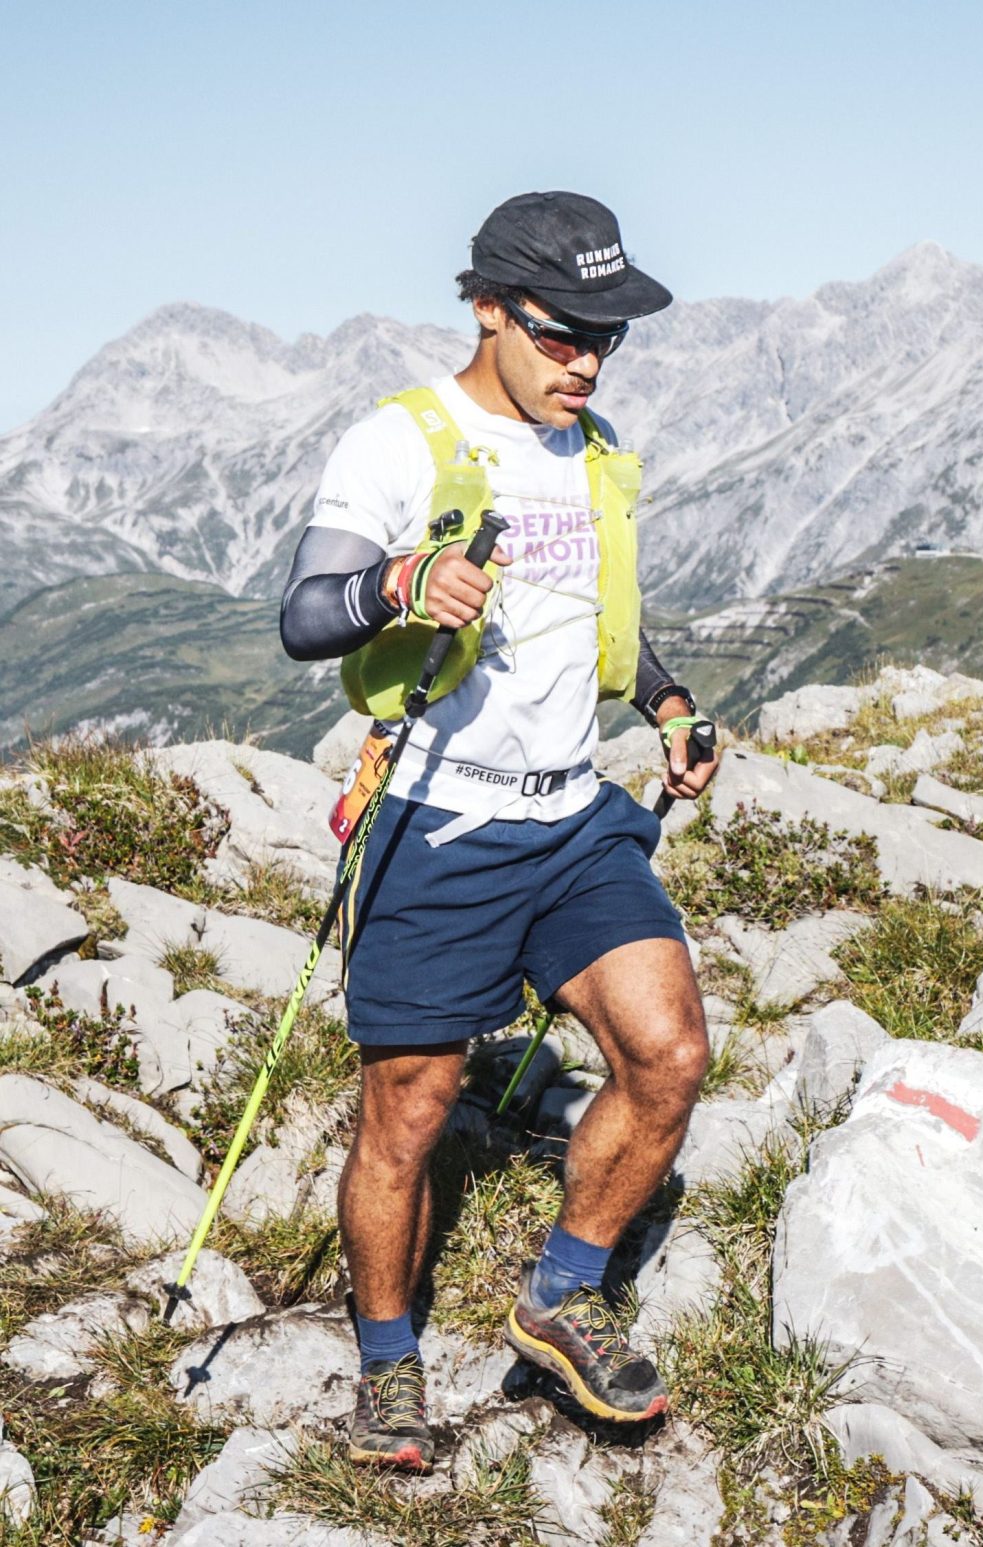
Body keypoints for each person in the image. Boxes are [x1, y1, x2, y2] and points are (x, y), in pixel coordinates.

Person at [279, 190, 719, 1472]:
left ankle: (562, 1294)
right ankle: (385, 1365)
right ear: (488, 308)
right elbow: (306, 616)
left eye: (609, 335)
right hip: (441, 825)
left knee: (670, 1052)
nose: (586, 357)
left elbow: (605, 622)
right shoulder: (401, 441)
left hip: (574, 820)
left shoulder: (594, 445)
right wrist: (398, 584)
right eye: (562, 330)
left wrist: (673, 703)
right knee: (407, 1120)